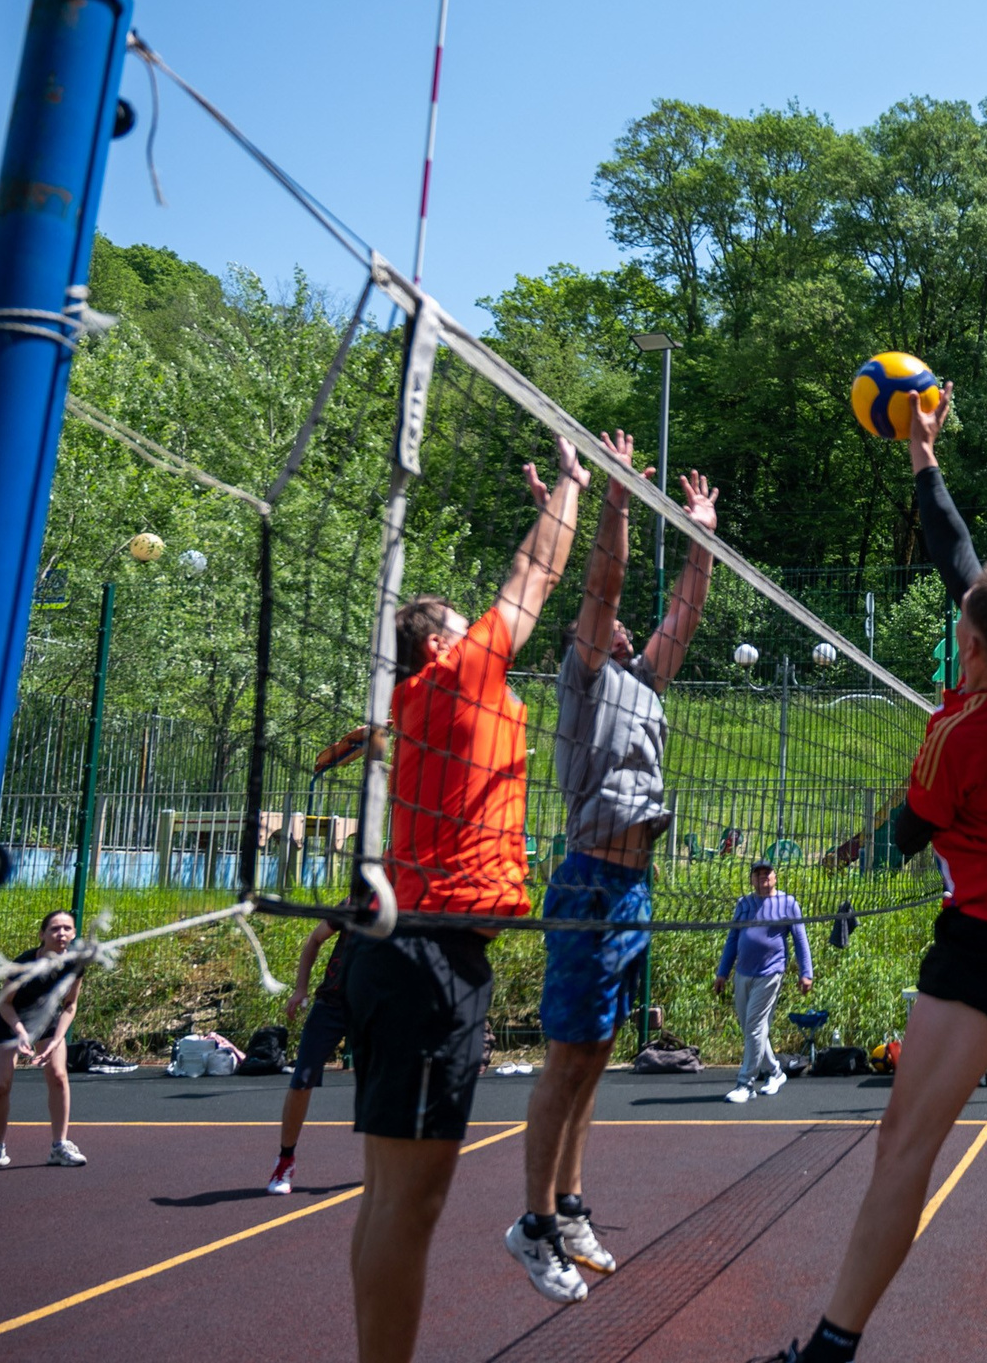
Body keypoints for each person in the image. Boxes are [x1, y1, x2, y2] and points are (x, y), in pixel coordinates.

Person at [758, 384, 987, 1363]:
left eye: (964, 621)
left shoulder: (961, 739)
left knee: (903, 1144)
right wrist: (922, 452)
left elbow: (901, 838)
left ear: (973, 644)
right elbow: (960, 554)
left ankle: (830, 1348)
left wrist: (839, 857)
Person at [346, 433, 588, 1363]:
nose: (482, 625)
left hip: (402, 952)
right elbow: (535, 575)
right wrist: (568, 484)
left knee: (389, 1200)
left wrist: (552, 506)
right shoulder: (455, 676)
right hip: (430, 962)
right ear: (441, 643)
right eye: (463, 620)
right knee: (409, 1207)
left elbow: (528, 576)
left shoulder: (419, 699)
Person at [506, 434, 720, 1302]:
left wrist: (701, 535)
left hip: (634, 888)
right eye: (605, 623)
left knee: (596, 1057)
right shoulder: (587, 673)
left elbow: (686, 615)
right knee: (567, 1060)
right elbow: (605, 584)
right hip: (590, 882)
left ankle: (570, 1204)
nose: (621, 625)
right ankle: (532, 1223)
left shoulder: (645, 682)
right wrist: (620, 499)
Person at [0, 908, 85, 1172]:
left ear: (73, 933)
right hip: (12, 1020)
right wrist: (21, 1032)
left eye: (67, 928)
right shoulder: (24, 963)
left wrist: (57, 1040)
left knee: (58, 1075)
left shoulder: (75, 964)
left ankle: (59, 1146)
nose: (61, 933)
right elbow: (4, 1003)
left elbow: (70, 1005)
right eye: (55, 928)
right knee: (0, 1086)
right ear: (42, 935)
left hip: (46, 1019)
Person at [717, 858, 813, 1103]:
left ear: (775, 877)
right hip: (743, 973)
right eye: (758, 873)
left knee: (755, 1026)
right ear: (752, 879)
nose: (763, 877)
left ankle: (746, 1083)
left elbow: (800, 939)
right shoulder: (744, 904)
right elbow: (732, 939)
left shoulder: (788, 903)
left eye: (767, 873)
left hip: (771, 972)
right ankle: (775, 1072)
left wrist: (806, 973)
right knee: (752, 1029)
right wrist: (722, 972)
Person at [268, 916, 350, 1195]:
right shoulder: (354, 904)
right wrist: (300, 988)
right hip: (331, 1005)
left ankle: (389, 1166)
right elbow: (315, 939)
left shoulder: (410, 906)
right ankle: (285, 1160)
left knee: (384, 1085)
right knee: (302, 1081)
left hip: (374, 1007)